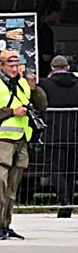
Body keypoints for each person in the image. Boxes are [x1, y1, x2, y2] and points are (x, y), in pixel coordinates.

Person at [0, 50, 45, 240]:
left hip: (20, 140)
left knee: (13, 185)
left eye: (17, 65)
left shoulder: (23, 84)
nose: (15, 69)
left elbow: (42, 106)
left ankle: (5, 223)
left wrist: (35, 90)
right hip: (1, 138)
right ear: (1, 65)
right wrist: (11, 112)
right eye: (11, 65)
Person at [40, 55, 78, 219]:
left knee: (55, 169)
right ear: (68, 67)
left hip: (53, 133)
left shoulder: (46, 84)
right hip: (74, 134)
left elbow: (39, 103)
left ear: (52, 69)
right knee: (70, 171)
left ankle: (65, 200)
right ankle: (68, 202)